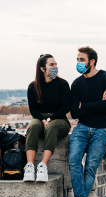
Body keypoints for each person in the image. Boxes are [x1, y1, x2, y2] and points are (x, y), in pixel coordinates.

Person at [66, 46, 106, 197]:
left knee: (91, 166)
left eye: (81, 59)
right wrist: (97, 104)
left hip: (102, 128)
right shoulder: (76, 83)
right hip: (82, 127)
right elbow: (74, 112)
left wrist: (85, 106)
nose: (78, 63)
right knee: (73, 160)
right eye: (77, 59)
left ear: (91, 61)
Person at [24, 54, 71, 182]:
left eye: (55, 64)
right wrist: (42, 120)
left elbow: (66, 107)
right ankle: (29, 167)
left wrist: (50, 119)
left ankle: (43, 166)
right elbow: (33, 110)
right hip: (40, 118)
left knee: (52, 127)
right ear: (42, 69)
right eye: (52, 64)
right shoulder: (33, 86)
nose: (55, 67)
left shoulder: (63, 84)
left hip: (60, 119)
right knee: (32, 127)